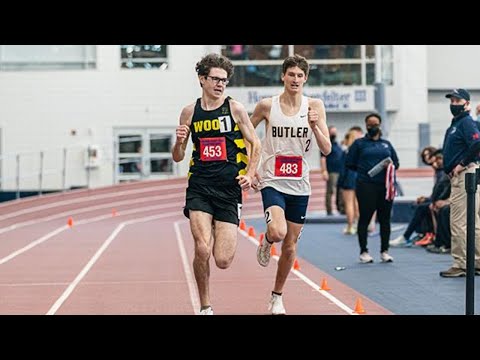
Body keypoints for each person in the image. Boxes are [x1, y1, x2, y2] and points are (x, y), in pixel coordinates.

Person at [172, 53, 261, 314]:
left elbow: (255, 143)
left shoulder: (235, 109)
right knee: (202, 247)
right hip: (200, 186)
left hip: (228, 189)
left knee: (222, 260)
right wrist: (178, 141)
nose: (220, 84)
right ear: (202, 79)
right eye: (215, 79)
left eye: (224, 80)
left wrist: (250, 172)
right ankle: (205, 306)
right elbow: (178, 156)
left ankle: (219, 228)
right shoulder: (190, 112)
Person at [250, 54, 331, 314]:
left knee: (290, 246)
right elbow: (246, 135)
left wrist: (316, 126)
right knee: (277, 232)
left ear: (305, 78)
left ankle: (276, 296)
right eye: (291, 74)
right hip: (272, 179)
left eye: (300, 75)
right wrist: (250, 169)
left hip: (299, 183)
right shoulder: (266, 106)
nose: (295, 79)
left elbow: (327, 149)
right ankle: (267, 239)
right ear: (283, 76)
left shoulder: (314, 105)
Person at [346, 113, 399, 263]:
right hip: (366, 186)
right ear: (366, 125)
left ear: (380, 125)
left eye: (375, 124)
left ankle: (384, 251)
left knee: (385, 220)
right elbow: (349, 163)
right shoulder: (359, 144)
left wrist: (388, 166)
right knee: (365, 218)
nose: (373, 126)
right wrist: (365, 171)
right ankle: (364, 251)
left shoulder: (386, 144)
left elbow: (396, 162)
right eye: (370, 124)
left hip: (385, 187)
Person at [439, 88, 480, 277]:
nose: (454, 104)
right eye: (452, 100)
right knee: (473, 221)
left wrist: (460, 164)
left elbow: (477, 143)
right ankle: (477, 261)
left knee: (458, 221)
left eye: (458, 101)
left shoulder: (465, 123)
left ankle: (461, 263)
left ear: (467, 104)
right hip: (467, 174)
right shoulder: (458, 123)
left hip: (464, 174)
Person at [320, 126, 344, 215]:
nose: (334, 134)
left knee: (340, 191)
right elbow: (323, 159)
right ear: (329, 133)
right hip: (331, 171)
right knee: (330, 191)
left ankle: (341, 208)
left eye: (335, 132)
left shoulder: (338, 145)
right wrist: (324, 171)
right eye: (332, 132)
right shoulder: (326, 144)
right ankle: (329, 210)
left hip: (340, 170)